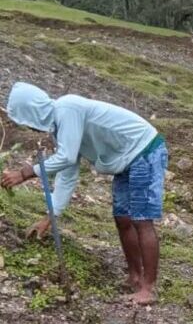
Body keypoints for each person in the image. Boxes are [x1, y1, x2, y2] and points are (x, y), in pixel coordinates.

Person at [1, 82, 168, 305]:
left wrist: (25, 173)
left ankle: (148, 288)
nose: (29, 128)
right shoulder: (61, 128)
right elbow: (67, 172)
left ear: (32, 112)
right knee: (122, 219)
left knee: (141, 220)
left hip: (145, 150)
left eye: (25, 120)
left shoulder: (67, 109)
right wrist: (51, 217)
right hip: (125, 159)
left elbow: (66, 158)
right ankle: (135, 277)